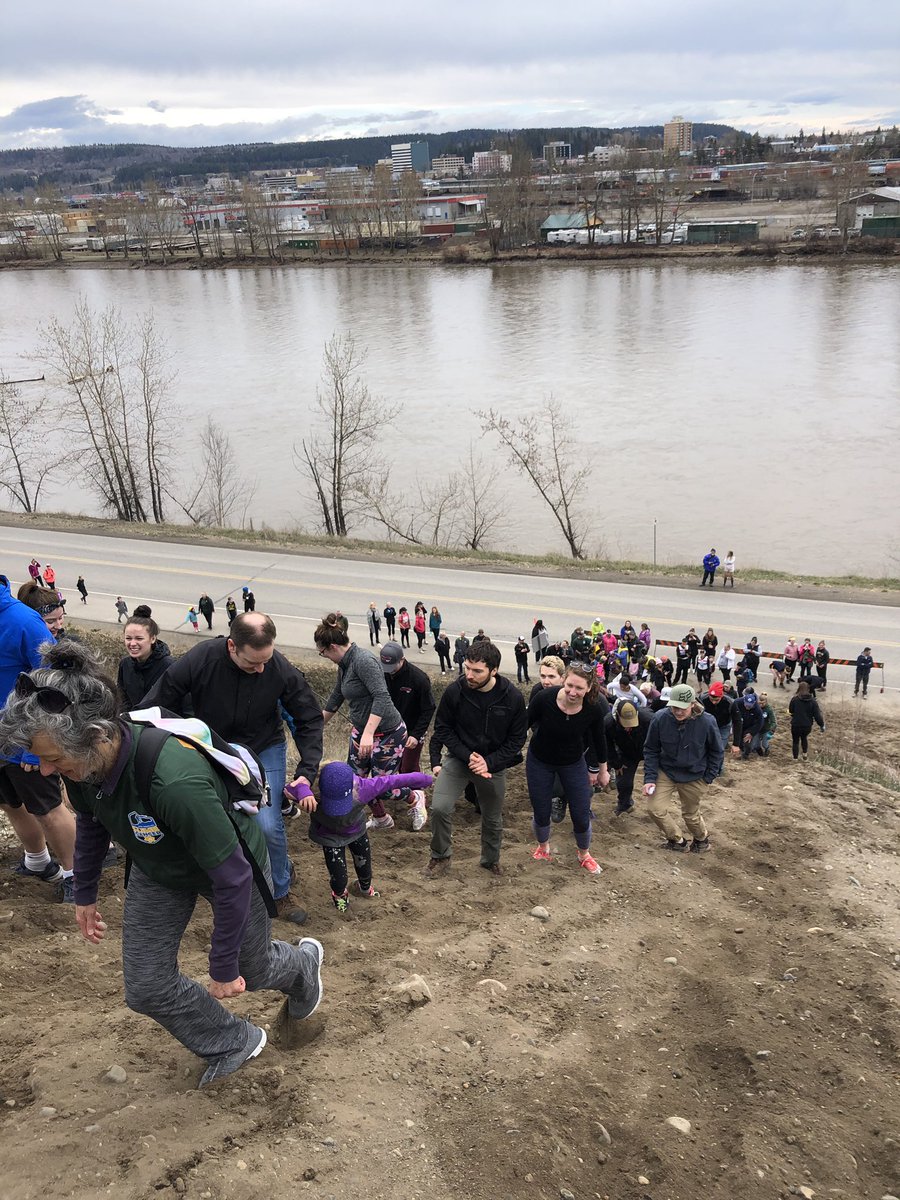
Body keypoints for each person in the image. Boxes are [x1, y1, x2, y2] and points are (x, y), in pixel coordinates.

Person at [0, 639, 324, 1087]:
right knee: (147, 986)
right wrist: (87, 892)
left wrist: (223, 963)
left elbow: (232, 877)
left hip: (228, 863)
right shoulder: (84, 766)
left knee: (253, 967)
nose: (48, 771)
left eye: (53, 759)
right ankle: (233, 1040)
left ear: (96, 734)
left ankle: (303, 965)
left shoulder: (173, 778)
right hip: (159, 864)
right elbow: (93, 821)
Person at [142, 612, 324, 925]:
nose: (261, 668)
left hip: (264, 747)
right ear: (231, 647)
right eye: (253, 663)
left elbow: (309, 717)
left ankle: (279, 890)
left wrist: (307, 769)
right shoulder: (201, 659)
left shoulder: (277, 668)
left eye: (266, 659)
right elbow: (159, 700)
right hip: (215, 747)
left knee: (266, 823)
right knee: (221, 818)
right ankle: (228, 879)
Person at [0, 575, 77, 900]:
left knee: (48, 808)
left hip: (25, 736)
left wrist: (36, 751)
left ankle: (77, 874)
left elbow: (52, 683)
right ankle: (37, 861)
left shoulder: (22, 620)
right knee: (10, 803)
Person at [425, 641, 527, 878]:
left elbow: (516, 740)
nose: (469, 675)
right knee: (439, 808)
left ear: (494, 670)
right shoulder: (455, 691)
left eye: (477, 671)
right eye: (467, 668)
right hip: (459, 759)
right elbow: (442, 729)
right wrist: (466, 754)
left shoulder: (512, 697)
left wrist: (489, 762)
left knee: (492, 817)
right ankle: (440, 856)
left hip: (494, 765)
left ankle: (490, 861)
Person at [285, 762, 434, 912]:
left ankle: (364, 888)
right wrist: (303, 791)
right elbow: (286, 789)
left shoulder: (364, 788)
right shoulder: (312, 790)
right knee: (338, 875)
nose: (338, 810)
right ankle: (339, 895)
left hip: (356, 831)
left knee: (364, 866)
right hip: (329, 837)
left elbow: (394, 781)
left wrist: (426, 779)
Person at [315, 617, 417, 832]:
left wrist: (368, 734)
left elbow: (381, 696)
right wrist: (316, 725)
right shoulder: (344, 664)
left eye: (322, 652)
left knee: (383, 788)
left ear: (332, 647)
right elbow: (337, 695)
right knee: (356, 781)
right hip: (362, 731)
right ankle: (382, 819)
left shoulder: (363, 661)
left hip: (388, 733)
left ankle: (416, 799)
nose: (323, 656)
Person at [526, 664, 610, 874]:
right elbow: (522, 725)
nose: (573, 692)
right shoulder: (544, 698)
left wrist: (602, 770)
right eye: (570, 685)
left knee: (581, 813)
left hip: (572, 762)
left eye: (579, 688)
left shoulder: (594, 707)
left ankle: (584, 854)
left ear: (590, 687)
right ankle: (543, 847)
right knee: (542, 810)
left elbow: (599, 741)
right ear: (563, 680)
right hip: (540, 760)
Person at [642, 684, 722, 852]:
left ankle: (701, 840)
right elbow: (651, 749)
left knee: (690, 815)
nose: (678, 711)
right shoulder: (660, 718)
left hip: (695, 775)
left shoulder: (707, 721)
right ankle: (676, 840)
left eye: (682, 708)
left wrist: (709, 777)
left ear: (693, 704)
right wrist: (650, 778)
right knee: (654, 809)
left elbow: (717, 751)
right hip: (667, 771)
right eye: (674, 707)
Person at [380, 642, 437, 780]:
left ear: (402, 660)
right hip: (390, 728)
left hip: (412, 729)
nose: (389, 670)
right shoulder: (381, 673)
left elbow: (428, 708)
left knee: (408, 767)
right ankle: (400, 791)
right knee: (392, 764)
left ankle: (417, 794)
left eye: (393, 666)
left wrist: (416, 735)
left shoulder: (419, 679)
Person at [604, 699, 652, 815]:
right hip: (627, 753)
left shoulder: (649, 719)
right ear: (617, 717)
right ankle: (625, 805)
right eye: (625, 723)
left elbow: (660, 739)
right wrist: (617, 763)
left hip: (649, 750)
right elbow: (608, 746)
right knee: (624, 782)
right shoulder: (608, 723)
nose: (628, 727)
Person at [117, 616, 173, 710]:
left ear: (153, 639)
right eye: (128, 638)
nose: (133, 643)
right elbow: (122, 698)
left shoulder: (169, 667)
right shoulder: (125, 664)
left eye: (139, 638)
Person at [789, 680, 825, 759]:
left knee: (795, 741)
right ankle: (804, 754)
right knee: (804, 738)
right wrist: (821, 725)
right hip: (807, 725)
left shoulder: (794, 699)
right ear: (808, 689)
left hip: (796, 724)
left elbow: (791, 710)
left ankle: (795, 758)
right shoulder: (813, 701)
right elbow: (817, 715)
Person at [734, 690, 765, 758]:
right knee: (739, 739)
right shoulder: (737, 702)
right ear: (744, 700)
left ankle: (746, 755)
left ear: (754, 703)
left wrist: (752, 733)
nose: (747, 707)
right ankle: (740, 751)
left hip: (751, 726)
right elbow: (731, 709)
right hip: (740, 724)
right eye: (746, 705)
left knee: (747, 741)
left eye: (749, 706)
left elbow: (760, 722)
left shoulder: (757, 709)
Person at [758, 691, 777, 755]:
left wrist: (771, 730)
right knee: (755, 745)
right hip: (757, 729)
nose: (761, 705)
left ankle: (767, 749)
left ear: (766, 702)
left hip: (765, 729)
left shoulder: (769, 710)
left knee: (764, 744)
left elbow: (773, 722)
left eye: (763, 703)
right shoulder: (756, 708)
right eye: (760, 703)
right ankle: (759, 751)